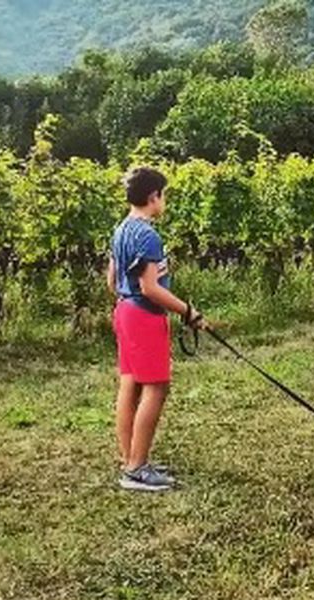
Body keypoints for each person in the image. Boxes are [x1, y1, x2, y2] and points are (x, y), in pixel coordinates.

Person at [108, 167, 206, 492]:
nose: (164, 201)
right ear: (154, 197)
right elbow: (150, 287)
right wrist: (188, 311)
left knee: (130, 385)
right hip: (143, 315)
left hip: (123, 310)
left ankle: (131, 457)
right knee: (156, 388)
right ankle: (136, 469)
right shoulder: (148, 235)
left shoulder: (121, 229)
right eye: (164, 195)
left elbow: (112, 281)